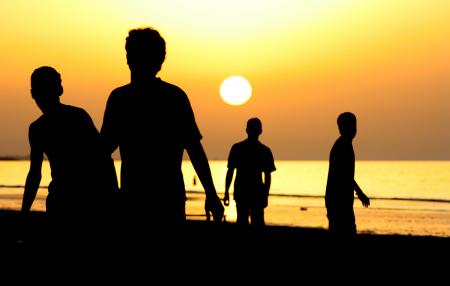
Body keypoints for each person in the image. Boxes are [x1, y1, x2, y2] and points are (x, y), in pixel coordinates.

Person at [100, 27, 224, 226]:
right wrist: (210, 193)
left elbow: (103, 149)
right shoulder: (175, 97)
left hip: (139, 199)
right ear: (160, 62)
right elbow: (194, 149)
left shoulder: (120, 98)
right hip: (163, 199)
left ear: (128, 59)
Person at [22, 66, 118, 232]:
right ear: (60, 89)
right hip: (70, 201)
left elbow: (101, 156)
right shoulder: (72, 118)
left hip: (78, 201)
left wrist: (24, 212)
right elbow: (34, 174)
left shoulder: (47, 125)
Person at [224, 118, 276, 226]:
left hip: (242, 192)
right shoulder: (265, 151)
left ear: (246, 130)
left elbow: (230, 172)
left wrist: (226, 192)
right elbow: (267, 176)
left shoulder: (237, 148)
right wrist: (266, 194)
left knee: (242, 222)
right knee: (257, 223)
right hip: (256, 193)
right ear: (261, 131)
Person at [325, 112, 370, 237]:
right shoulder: (342, 146)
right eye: (350, 126)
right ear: (341, 128)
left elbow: (347, 176)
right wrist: (360, 193)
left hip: (340, 200)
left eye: (355, 126)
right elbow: (345, 176)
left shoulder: (345, 145)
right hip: (338, 201)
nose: (354, 129)